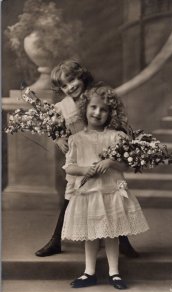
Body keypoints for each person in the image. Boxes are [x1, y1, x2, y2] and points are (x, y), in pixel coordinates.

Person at [35, 60, 139, 258]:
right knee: (71, 196)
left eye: (72, 80)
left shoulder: (96, 96)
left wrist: (117, 143)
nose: (70, 87)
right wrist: (57, 137)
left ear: (81, 76)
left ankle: (123, 242)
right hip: (80, 155)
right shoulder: (63, 106)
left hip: (102, 151)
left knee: (113, 198)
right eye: (64, 85)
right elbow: (49, 122)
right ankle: (56, 240)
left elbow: (115, 117)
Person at [61, 84, 149, 289]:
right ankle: (89, 272)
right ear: (85, 108)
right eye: (93, 107)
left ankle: (114, 273)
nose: (97, 112)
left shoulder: (117, 137)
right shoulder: (76, 139)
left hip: (110, 191)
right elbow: (69, 167)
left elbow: (126, 165)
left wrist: (109, 162)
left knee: (112, 233)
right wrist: (85, 170)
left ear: (111, 113)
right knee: (91, 234)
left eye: (104, 109)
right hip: (88, 194)